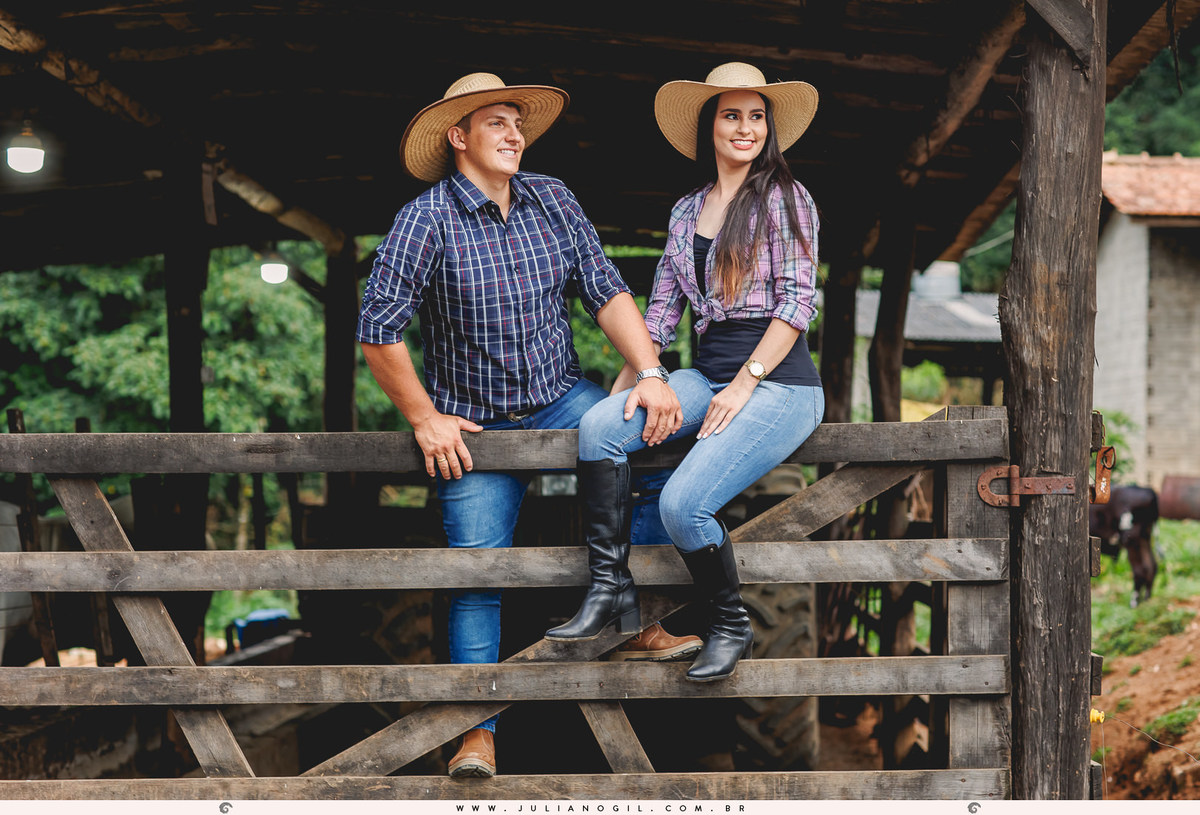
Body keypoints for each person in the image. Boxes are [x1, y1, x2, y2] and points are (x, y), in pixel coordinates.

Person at [357, 72, 699, 779]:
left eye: (520, 124)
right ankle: (475, 732)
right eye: (496, 124)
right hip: (474, 425)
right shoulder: (425, 219)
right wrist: (424, 418)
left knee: (659, 453)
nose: (515, 135)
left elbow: (604, 288)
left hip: (561, 397)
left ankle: (634, 622)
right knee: (477, 571)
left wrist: (652, 372)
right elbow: (377, 330)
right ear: (458, 137)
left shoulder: (554, 198)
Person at [547, 62, 824, 683]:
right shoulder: (685, 210)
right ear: (710, 127)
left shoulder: (786, 197)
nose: (745, 127)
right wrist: (635, 383)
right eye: (731, 115)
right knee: (598, 428)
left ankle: (729, 624)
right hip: (706, 371)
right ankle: (610, 592)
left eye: (757, 116)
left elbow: (800, 302)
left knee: (684, 505)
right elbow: (663, 312)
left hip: (779, 382)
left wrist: (747, 381)